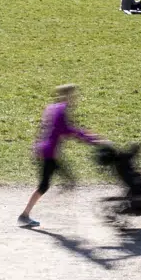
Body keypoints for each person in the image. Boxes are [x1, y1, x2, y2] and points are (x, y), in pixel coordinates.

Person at [18, 84, 101, 227]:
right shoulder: (61, 111)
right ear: (67, 96)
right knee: (46, 185)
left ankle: (50, 205)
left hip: (45, 150)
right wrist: (91, 138)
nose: (74, 98)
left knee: (66, 181)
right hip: (49, 153)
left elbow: (51, 129)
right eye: (73, 95)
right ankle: (26, 215)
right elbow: (68, 130)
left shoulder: (52, 108)